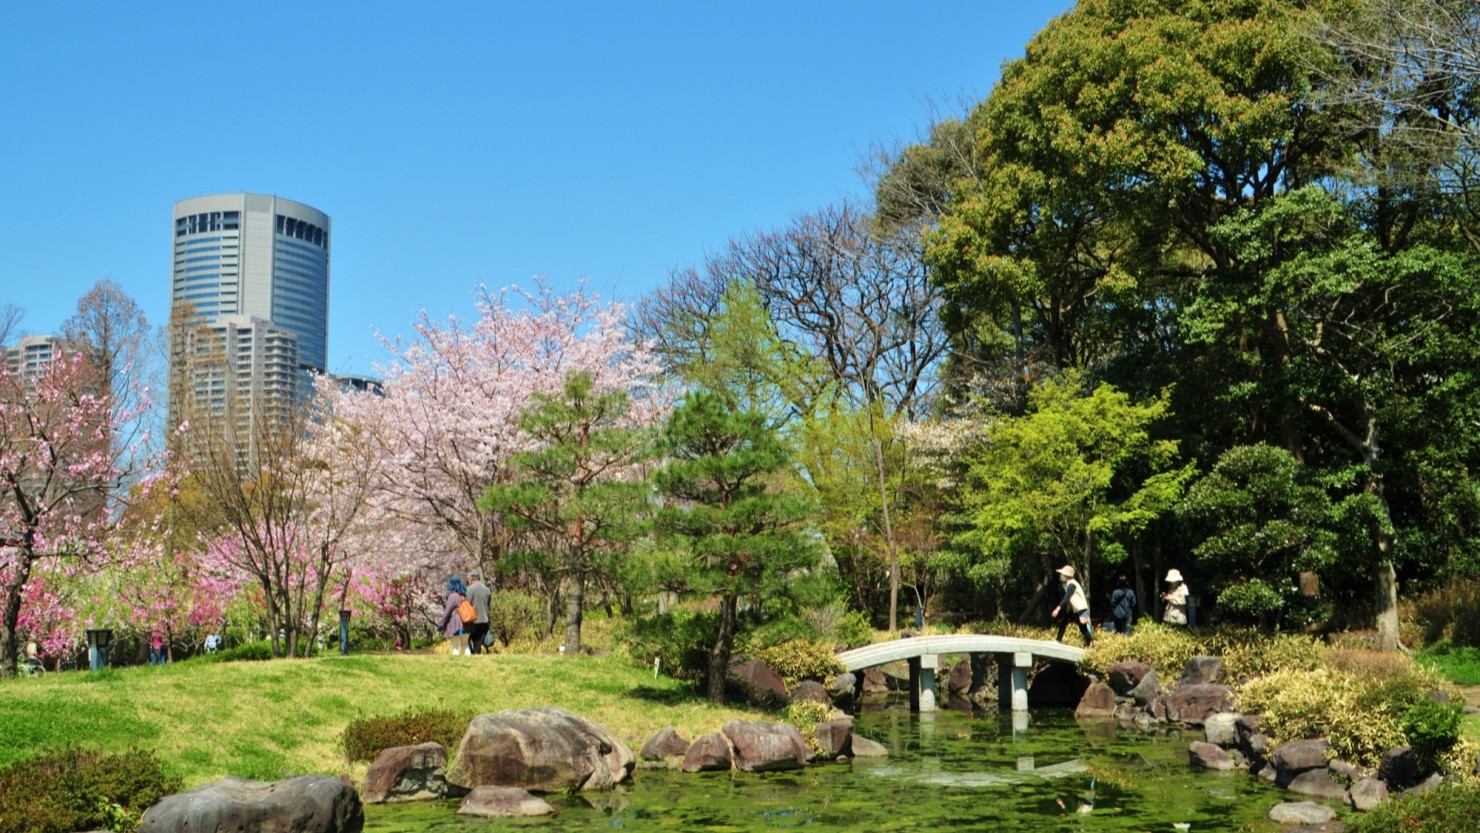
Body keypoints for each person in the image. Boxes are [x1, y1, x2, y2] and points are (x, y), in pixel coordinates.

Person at [1050, 565, 1092, 646]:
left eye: (1062, 574)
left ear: (1067, 576)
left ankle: (1091, 644)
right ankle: (1058, 640)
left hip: (1081, 609)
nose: (1061, 576)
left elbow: (1066, 597)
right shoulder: (1069, 584)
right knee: (1064, 621)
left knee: (1083, 628)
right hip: (1075, 609)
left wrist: (1057, 609)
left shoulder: (1072, 584)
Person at [438, 575, 471, 656]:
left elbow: (447, 611)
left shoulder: (452, 596)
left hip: (456, 623)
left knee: (455, 645)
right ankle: (469, 659)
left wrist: (441, 624)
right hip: (467, 622)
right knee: (465, 643)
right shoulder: (465, 595)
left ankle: (455, 661)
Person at [466, 570, 492, 655]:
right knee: (478, 644)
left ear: (471, 579)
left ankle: (473, 657)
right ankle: (477, 656)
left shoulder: (470, 590)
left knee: (467, 640)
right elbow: (488, 605)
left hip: (474, 621)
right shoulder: (487, 590)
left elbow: (467, 604)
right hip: (484, 620)